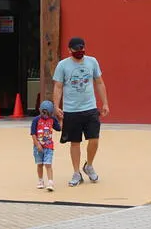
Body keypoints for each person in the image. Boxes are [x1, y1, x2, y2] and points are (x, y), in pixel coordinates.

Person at [52, 37, 110, 187]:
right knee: (75, 142)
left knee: (94, 140)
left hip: (90, 108)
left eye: (81, 49)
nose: (80, 52)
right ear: (69, 50)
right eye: (76, 49)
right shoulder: (62, 65)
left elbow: (99, 82)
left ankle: (89, 165)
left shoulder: (92, 62)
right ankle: (76, 173)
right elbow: (58, 86)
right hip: (71, 110)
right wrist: (56, 106)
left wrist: (105, 103)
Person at [30, 100, 61, 191]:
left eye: (47, 113)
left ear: (51, 113)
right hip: (38, 147)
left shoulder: (52, 120)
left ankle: (50, 182)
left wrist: (61, 119)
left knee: (48, 164)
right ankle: (40, 180)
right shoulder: (36, 120)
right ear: (40, 110)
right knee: (39, 164)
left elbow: (59, 128)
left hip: (49, 146)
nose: (45, 115)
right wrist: (37, 144)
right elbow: (33, 133)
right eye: (43, 113)